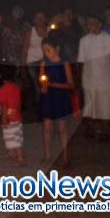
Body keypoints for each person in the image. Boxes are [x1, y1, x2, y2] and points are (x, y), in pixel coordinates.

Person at [77, 15, 110, 142]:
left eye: (92, 23)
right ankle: (90, 129)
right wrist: (79, 81)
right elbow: (81, 62)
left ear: (99, 24)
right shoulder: (84, 41)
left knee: (105, 107)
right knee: (89, 107)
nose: (89, 26)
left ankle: (105, 132)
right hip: (88, 79)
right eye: (88, 24)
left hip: (107, 80)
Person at [39, 36, 74, 166]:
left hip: (61, 97)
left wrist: (53, 84)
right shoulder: (44, 63)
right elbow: (41, 80)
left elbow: (71, 84)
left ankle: (65, 155)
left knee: (62, 128)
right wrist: (43, 86)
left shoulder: (64, 63)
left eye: (48, 50)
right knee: (47, 127)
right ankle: (48, 154)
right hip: (48, 98)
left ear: (57, 49)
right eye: (44, 50)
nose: (46, 53)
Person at [0, 65, 24, 166]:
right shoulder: (16, 88)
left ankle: (20, 157)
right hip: (17, 116)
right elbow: (19, 102)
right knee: (16, 135)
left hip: (8, 117)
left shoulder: (2, 90)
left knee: (11, 136)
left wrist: (4, 118)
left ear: (0, 76)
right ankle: (11, 153)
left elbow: (4, 105)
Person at [22, 11, 48, 107]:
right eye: (38, 18)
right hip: (32, 62)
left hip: (45, 62)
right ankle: (38, 106)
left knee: (45, 84)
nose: (40, 20)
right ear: (34, 20)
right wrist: (23, 66)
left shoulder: (49, 31)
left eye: (42, 17)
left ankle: (44, 105)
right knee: (37, 84)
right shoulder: (30, 32)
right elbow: (24, 50)